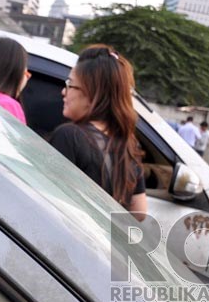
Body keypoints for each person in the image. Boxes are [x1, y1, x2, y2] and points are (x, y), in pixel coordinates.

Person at [49, 45, 147, 220]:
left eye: (70, 84)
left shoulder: (69, 136)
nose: (64, 91)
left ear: (92, 94)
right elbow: (140, 212)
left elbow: (49, 203)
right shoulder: (129, 143)